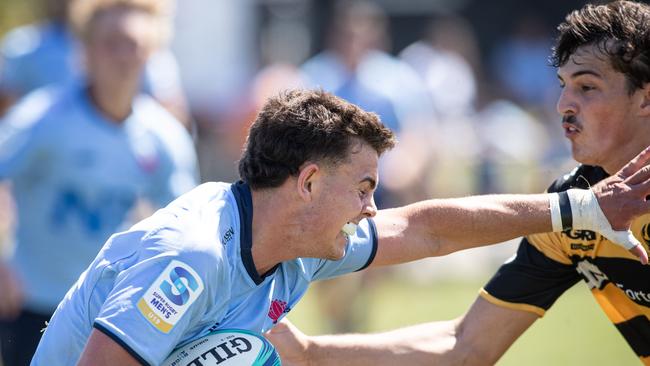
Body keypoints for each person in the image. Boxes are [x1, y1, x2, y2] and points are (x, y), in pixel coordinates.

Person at [33, 80, 650, 364]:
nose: (372, 209)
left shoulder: (293, 239)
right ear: (307, 182)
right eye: (363, 188)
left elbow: (426, 229)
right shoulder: (194, 257)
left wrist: (581, 207)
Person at [263, 1, 650, 365]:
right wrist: (308, 353)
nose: (562, 104)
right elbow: (465, 346)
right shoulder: (575, 208)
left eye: (587, 87)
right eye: (563, 85)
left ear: (645, 99)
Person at [0, 0, 198, 364]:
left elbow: (189, 228)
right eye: (111, 43)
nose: (123, 56)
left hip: (108, 315)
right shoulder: (42, 120)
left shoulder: (164, 138)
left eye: (134, 45)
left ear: (151, 54)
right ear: (85, 52)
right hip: (33, 304)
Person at [0, 0, 189, 123]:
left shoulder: (155, 57)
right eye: (111, 45)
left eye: (130, 46)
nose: (123, 57)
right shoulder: (23, 48)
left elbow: (172, 116)